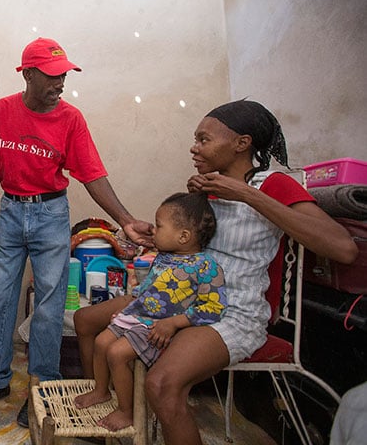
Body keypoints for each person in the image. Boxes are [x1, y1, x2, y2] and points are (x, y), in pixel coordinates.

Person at [73, 99, 358, 444]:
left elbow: (343, 248)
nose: (195, 148)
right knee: (85, 320)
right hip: (179, 294)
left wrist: (248, 196)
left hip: (230, 311)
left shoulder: (274, 185)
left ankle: (128, 407)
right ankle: (105, 401)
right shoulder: (209, 187)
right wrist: (160, 237)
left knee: (162, 385)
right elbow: (194, 245)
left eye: (204, 139)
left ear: (242, 143)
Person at [0, 37, 154, 428]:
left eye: (64, 75)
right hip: (11, 212)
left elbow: (92, 176)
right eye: (52, 76)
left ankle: (43, 383)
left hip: (51, 212)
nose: (60, 83)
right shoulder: (1, 111)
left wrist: (126, 218)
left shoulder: (71, 119)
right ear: (28, 74)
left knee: (49, 305)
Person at [74, 192, 227, 432]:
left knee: (116, 353)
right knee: (102, 342)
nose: (154, 231)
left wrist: (175, 323)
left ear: (184, 236)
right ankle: (101, 391)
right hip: (138, 316)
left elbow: (214, 308)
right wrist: (128, 310)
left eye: (159, 226)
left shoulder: (206, 266)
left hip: (158, 326)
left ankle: (127, 412)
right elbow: (147, 291)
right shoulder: (163, 258)